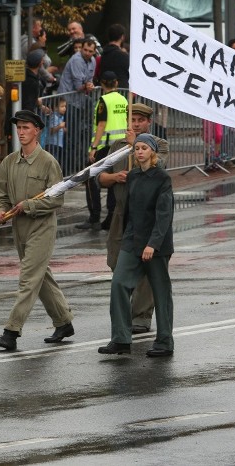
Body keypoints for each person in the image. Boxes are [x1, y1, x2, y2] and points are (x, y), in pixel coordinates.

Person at [0, 110, 75, 351]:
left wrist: (29, 205)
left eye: (26, 128)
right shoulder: (9, 162)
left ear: (37, 130)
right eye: (19, 128)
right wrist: (0, 210)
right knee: (41, 276)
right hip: (19, 226)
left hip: (42, 226)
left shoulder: (48, 161)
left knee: (28, 278)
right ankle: (64, 322)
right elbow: (0, 194)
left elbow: (57, 199)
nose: (21, 132)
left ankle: (11, 331)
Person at [99, 133, 174, 357]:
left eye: (144, 148)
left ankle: (164, 341)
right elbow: (130, 211)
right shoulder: (132, 177)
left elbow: (164, 215)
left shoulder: (162, 178)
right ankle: (121, 338)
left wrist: (153, 244)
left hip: (156, 245)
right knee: (119, 283)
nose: (140, 151)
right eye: (137, 148)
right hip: (132, 241)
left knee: (161, 293)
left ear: (152, 152)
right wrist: (127, 238)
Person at [77, 71, 127, 231]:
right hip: (120, 146)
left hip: (104, 146)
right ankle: (111, 216)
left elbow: (101, 125)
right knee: (113, 180)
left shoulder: (104, 100)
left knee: (90, 179)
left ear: (102, 84)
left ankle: (94, 217)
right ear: (116, 83)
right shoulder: (123, 99)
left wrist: (93, 147)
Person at [57, 38, 97, 173]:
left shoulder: (92, 61)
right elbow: (78, 85)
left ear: (94, 52)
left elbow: (89, 81)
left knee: (80, 135)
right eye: (85, 49)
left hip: (80, 101)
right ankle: (67, 169)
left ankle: (76, 166)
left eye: (90, 51)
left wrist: (89, 85)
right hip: (69, 101)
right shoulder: (76, 60)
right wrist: (87, 86)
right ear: (81, 48)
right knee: (71, 137)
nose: (87, 53)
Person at [97, 24, 130, 88]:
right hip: (122, 91)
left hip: (105, 90)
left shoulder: (103, 54)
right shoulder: (123, 55)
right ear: (122, 37)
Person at [46, 99, 67, 170]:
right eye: (62, 106)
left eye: (65, 106)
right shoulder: (53, 117)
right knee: (52, 163)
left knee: (57, 163)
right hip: (52, 144)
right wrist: (60, 126)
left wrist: (63, 129)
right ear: (56, 108)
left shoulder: (61, 117)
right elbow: (51, 130)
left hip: (58, 144)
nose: (64, 108)